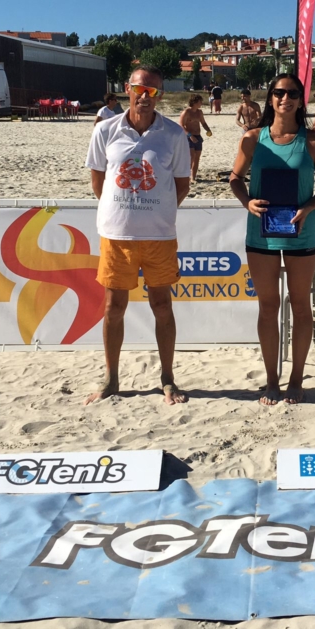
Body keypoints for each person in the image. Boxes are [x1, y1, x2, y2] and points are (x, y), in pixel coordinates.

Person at [84, 65, 191, 406]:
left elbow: (182, 184)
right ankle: (111, 377)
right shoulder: (105, 130)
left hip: (159, 236)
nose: (146, 97)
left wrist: (156, 210)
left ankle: (168, 378)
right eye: (140, 89)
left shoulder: (174, 134)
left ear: (160, 95)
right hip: (117, 235)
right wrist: (122, 210)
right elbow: (98, 181)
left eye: (153, 91)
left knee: (162, 305)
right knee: (114, 307)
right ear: (127, 89)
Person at [229, 74, 315, 406]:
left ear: (301, 99)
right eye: (278, 92)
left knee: (301, 307)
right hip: (261, 235)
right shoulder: (252, 138)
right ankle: (272, 380)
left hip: (300, 233)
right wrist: (247, 202)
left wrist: (308, 207)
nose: (284, 98)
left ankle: (296, 379)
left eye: (291, 93)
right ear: (270, 97)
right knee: (268, 307)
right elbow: (235, 178)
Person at [179, 94, 212, 182]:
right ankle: (186, 176)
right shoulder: (186, 112)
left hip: (198, 136)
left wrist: (208, 130)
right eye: (200, 102)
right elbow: (181, 125)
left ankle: (193, 177)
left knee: (197, 158)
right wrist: (190, 135)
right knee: (191, 157)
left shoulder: (199, 112)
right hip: (188, 137)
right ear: (194, 102)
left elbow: (203, 123)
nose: (201, 103)